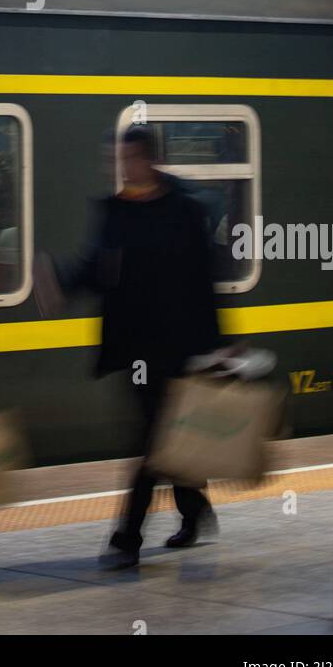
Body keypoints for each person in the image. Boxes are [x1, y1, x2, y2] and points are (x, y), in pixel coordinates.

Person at [53, 125, 222, 570]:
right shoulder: (115, 212)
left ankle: (127, 537)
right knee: (164, 437)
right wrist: (60, 283)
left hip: (178, 346)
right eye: (117, 160)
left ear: (148, 160)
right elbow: (96, 267)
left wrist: (221, 346)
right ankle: (195, 507)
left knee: (152, 440)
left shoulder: (184, 211)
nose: (121, 168)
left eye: (127, 160)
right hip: (134, 348)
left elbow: (204, 282)